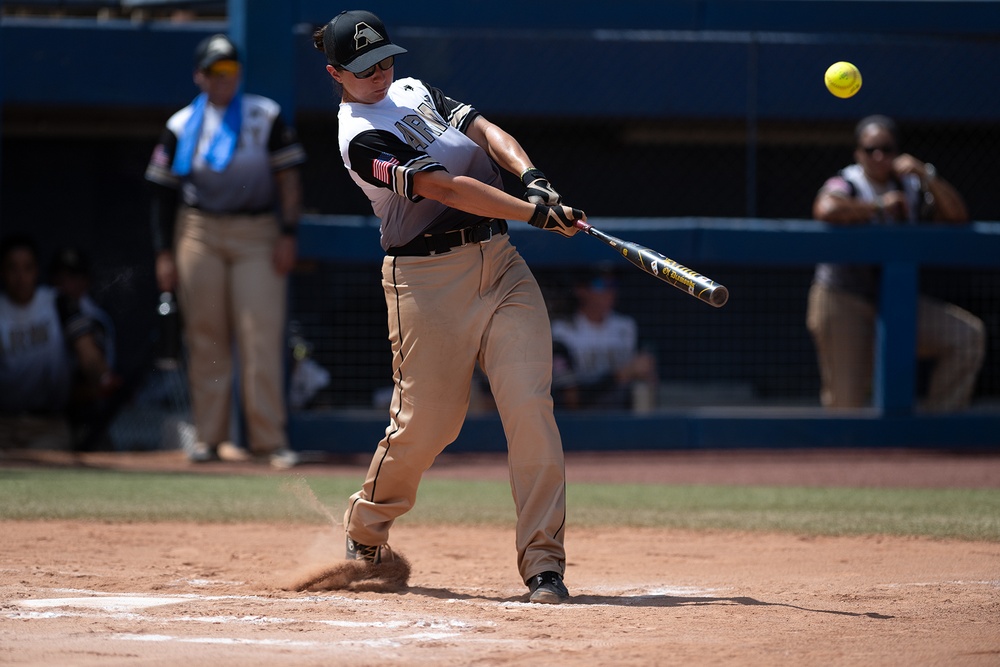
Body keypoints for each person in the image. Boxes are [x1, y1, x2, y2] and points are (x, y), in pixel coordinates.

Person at [313, 10, 586, 604]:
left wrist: (534, 178)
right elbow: (444, 188)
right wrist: (535, 214)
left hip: (501, 264)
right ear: (335, 73)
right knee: (429, 424)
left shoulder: (414, 90)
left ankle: (544, 565)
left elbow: (485, 131)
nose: (379, 74)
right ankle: (366, 530)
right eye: (363, 68)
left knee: (530, 407)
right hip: (426, 281)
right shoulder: (359, 138)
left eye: (384, 60)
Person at [144, 33, 307, 468]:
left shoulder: (264, 114)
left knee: (260, 334)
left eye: (231, 70)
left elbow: (289, 178)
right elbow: (161, 194)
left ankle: (268, 440)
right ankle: (209, 438)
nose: (224, 78)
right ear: (199, 76)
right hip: (199, 230)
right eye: (215, 71)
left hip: (256, 230)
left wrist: (288, 232)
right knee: (206, 336)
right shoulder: (181, 124)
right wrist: (163, 253)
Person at [807, 114, 986, 411]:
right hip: (843, 300)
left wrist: (927, 175)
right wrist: (878, 206)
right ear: (858, 154)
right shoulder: (849, 182)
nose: (878, 156)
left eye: (886, 149)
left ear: (897, 152)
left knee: (967, 337)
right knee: (846, 405)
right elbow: (825, 208)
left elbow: (957, 217)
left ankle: (937, 430)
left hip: (895, 301)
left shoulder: (912, 185)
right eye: (870, 150)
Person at [0, 234, 115, 450]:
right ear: (2, 272)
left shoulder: (57, 302)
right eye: (12, 268)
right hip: (4, 422)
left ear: (36, 270)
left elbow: (87, 352)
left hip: (48, 424)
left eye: (27, 268)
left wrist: (102, 376)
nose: (20, 277)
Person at [551, 266, 659, 411]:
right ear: (581, 290)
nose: (609, 291)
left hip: (621, 415)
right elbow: (571, 399)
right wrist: (620, 375)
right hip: (579, 419)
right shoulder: (562, 332)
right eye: (600, 284)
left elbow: (648, 378)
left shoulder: (627, 327)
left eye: (613, 284)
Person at [48, 247, 121, 450]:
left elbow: (98, 384)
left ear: (86, 281)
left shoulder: (94, 320)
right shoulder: (42, 312)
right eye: (60, 276)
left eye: (73, 276)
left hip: (86, 417)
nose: (65, 283)